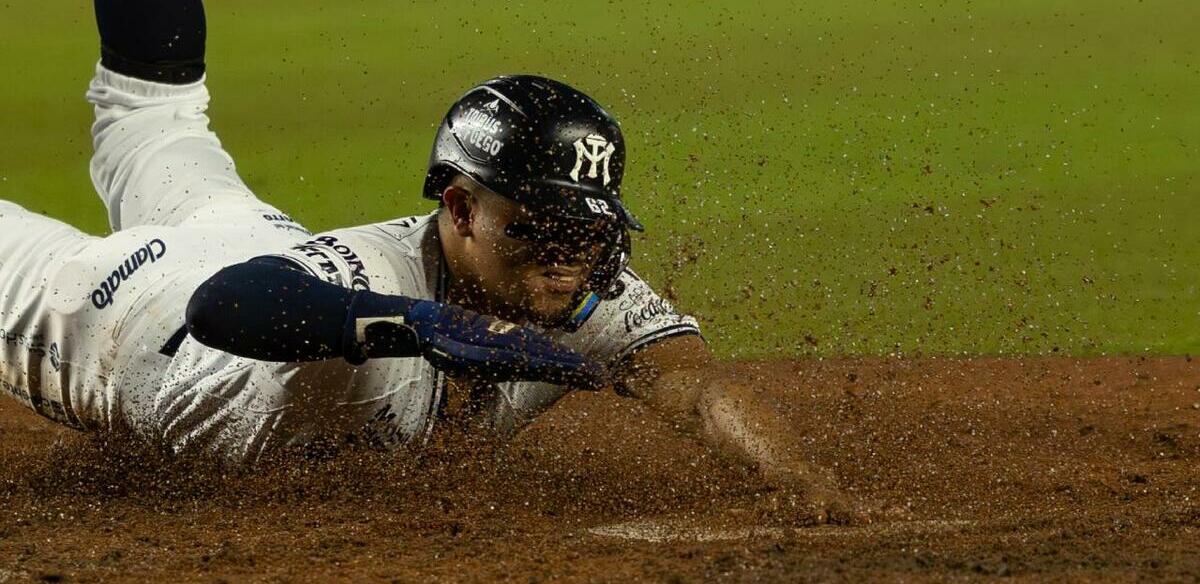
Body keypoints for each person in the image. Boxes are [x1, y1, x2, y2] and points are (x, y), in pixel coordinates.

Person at [0, 0, 852, 520]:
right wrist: (424, 327)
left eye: (585, 232)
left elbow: (697, 388)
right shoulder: (373, 277)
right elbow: (224, 305)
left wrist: (800, 478)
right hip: (116, 319)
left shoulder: (584, 295)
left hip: (246, 226)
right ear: (458, 208)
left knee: (157, 103)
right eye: (538, 230)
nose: (566, 260)